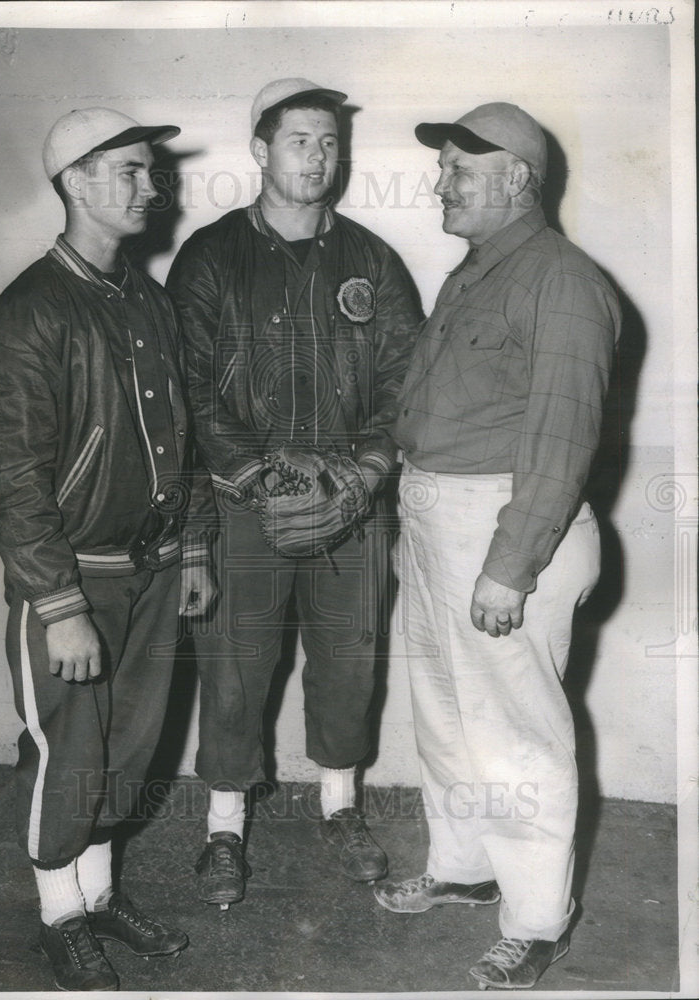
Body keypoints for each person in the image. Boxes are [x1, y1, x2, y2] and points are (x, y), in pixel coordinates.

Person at [373, 102, 621, 989]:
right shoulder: (476, 273)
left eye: (459, 172)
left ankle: (538, 920)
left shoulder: (564, 283)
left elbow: (561, 442)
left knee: (518, 739)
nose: (440, 184)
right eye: (443, 170)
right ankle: (466, 868)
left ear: (517, 180)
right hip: (440, 522)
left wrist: (508, 567)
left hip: (510, 535)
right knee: (444, 714)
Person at [0, 107, 215, 991]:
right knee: (69, 752)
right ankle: (57, 915)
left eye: (152, 172)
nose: (155, 188)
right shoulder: (27, 316)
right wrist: (59, 605)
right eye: (132, 173)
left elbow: (178, 440)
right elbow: (13, 485)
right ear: (76, 183)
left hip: (151, 574)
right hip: (76, 581)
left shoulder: (145, 300)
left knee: (129, 747)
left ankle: (99, 893)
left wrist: (190, 549)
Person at [166, 78, 422, 907]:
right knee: (237, 667)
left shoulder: (371, 261)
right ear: (261, 149)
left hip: (354, 504)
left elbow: (403, 382)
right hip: (247, 503)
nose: (318, 156)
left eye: (329, 142)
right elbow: (191, 387)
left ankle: (340, 806)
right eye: (300, 140)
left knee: (350, 662)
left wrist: (368, 471)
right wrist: (252, 471)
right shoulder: (210, 255)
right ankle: (224, 827)